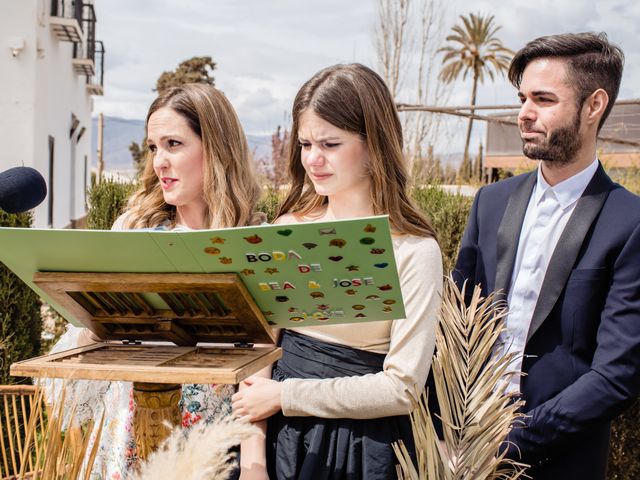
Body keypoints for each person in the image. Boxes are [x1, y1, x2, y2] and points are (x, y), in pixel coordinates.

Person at [231, 63, 443, 480]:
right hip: (275, 441)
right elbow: (257, 352)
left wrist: (286, 395)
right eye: (305, 143)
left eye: (330, 143)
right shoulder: (286, 231)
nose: (312, 159)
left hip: (359, 454)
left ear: (374, 144)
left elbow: (401, 388)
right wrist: (253, 459)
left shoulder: (415, 251)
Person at [49, 82, 263, 479]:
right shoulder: (133, 230)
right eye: (153, 148)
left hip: (208, 449)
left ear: (216, 148)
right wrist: (97, 322)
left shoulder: (254, 241)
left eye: (173, 144)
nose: (159, 162)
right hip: (127, 438)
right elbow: (83, 340)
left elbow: (262, 366)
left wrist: (255, 463)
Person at [453, 32, 640, 479]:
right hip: (456, 448)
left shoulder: (630, 222)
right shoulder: (489, 203)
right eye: (522, 98)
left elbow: (615, 376)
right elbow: (455, 318)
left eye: (543, 99)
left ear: (593, 106)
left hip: (560, 460)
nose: (524, 114)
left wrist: (506, 444)